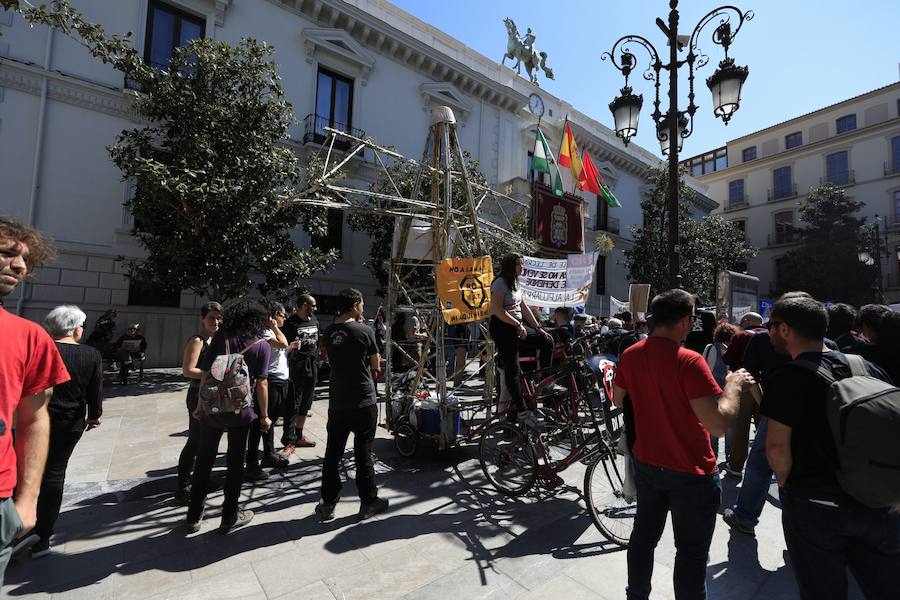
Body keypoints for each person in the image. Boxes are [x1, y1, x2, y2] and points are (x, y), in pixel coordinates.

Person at [611, 289, 754, 600]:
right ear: (685, 321)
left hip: (647, 463)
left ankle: (636, 595)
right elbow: (718, 423)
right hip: (691, 471)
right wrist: (733, 386)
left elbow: (617, 397)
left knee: (643, 538)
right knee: (690, 554)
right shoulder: (689, 361)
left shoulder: (632, 353)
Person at [763, 295, 900, 599]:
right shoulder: (866, 367)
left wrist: (787, 486)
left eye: (771, 326)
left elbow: (775, 447)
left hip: (815, 502)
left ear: (785, 329)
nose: (768, 332)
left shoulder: (787, 377)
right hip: (878, 500)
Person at [0, 216, 69, 581]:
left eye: (25, 258)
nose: (21, 266)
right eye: (7, 253)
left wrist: (27, 501)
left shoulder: (29, 337)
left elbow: (35, 418)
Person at [17, 305, 102, 558]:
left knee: (21, 472)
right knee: (54, 474)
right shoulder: (90, 355)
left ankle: (14, 528)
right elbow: (94, 391)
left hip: (29, 419)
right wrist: (94, 415)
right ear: (76, 329)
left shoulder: (35, 348)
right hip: (68, 422)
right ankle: (42, 537)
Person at [187, 298, 271, 535]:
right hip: (240, 410)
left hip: (212, 408)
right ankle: (229, 516)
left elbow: (205, 374)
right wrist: (264, 416)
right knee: (235, 463)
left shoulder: (221, 337)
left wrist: (199, 405)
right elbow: (262, 383)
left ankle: (193, 516)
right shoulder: (261, 345)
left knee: (204, 460)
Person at [315, 288, 388, 522]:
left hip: (338, 401)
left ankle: (327, 503)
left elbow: (325, 355)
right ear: (356, 304)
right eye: (362, 304)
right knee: (363, 453)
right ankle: (368, 501)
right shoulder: (365, 330)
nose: (363, 307)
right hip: (363, 400)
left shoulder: (328, 332)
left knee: (332, 453)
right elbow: (376, 365)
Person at [489, 254, 553, 429]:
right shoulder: (500, 283)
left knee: (547, 341)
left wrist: (538, 327)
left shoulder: (516, 283)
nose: (522, 267)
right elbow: (496, 309)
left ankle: (547, 381)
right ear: (511, 266)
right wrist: (518, 325)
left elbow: (523, 307)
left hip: (517, 326)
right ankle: (521, 409)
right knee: (512, 369)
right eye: (519, 264)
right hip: (502, 328)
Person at [175, 301, 222, 505]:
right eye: (212, 317)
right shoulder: (198, 340)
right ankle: (183, 486)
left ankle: (202, 478)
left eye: (219, 318)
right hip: (197, 394)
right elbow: (187, 370)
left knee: (208, 441)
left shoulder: (218, 340)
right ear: (202, 318)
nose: (216, 321)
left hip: (213, 394)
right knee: (195, 441)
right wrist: (213, 374)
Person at [245, 302, 293, 481]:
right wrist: (273, 326)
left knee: (269, 419)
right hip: (270, 381)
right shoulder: (266, 332)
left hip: (278, 380)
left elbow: (281, 349)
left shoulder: (272, 332)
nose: (284, 318)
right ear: (273, 316)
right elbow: (282, 343)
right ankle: (252, 462)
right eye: (282, 314)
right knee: (261, 421)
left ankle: (268, 453)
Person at [720, 311, 766, 477]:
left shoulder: (741, 336)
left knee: (741, 427)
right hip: (767, 386)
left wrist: (725, 351)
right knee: (765, 427)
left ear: (746, 321)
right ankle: (767, 465)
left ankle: (736, 466)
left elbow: (729, 359)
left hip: (745, 385)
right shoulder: (772, 335)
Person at [282, 293, 319, 450]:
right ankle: (288, 440)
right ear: (304, 305)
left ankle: (299, 436)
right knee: (293, 403)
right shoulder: (289, 324)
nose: (315, 308)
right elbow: (283, 346)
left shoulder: (314, 320)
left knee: (306, 402)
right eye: (313, 305)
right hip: (296, 367)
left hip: (313, 365)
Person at [703, 321, 738, 464]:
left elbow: (705, 369)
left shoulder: (710, 348)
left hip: (712, 392)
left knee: (712, 426)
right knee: (730, 426)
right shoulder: (734, 349)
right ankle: (729, 456)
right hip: (729, 392)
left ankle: (713, 455)